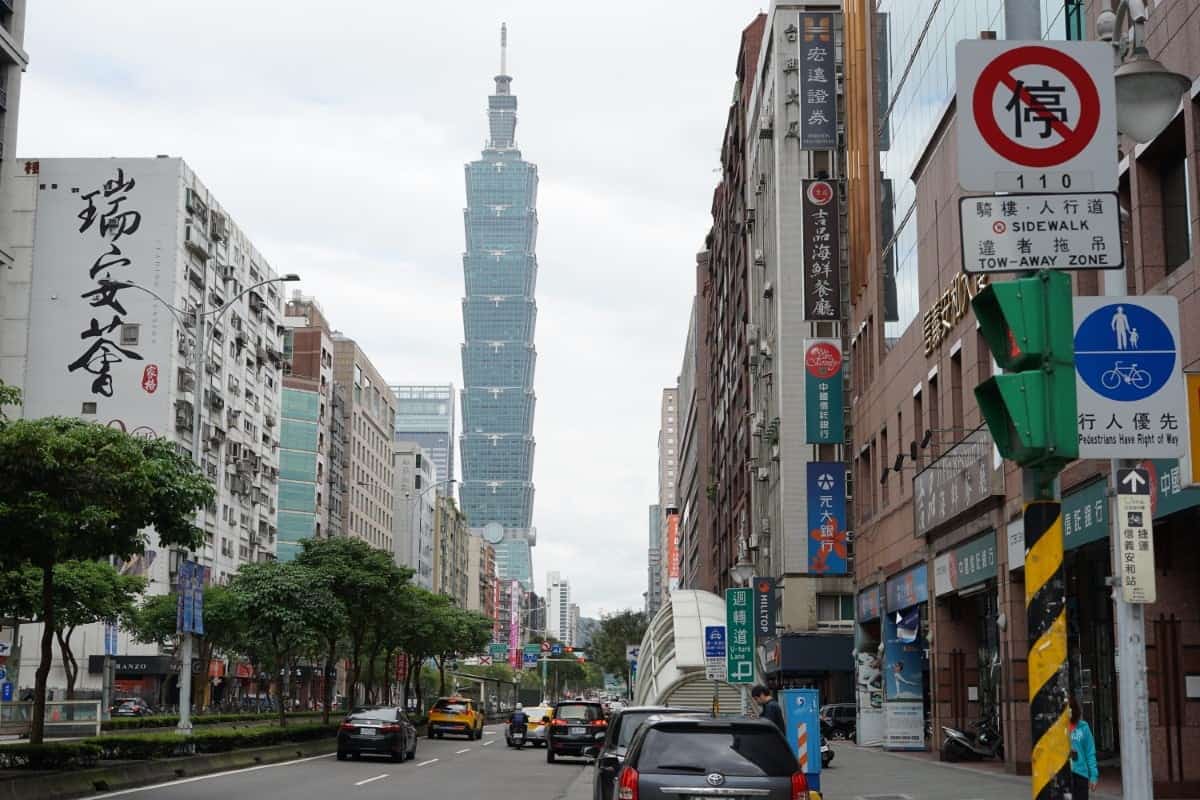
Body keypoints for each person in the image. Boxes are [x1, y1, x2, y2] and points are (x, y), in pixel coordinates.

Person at [1068, 695, 1099, 800]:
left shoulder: (1084, 727)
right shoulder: (1059, 729)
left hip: (1081, 774)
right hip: (1065, 775)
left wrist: (1093, 776)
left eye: (1070, 708)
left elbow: (1090, 752)